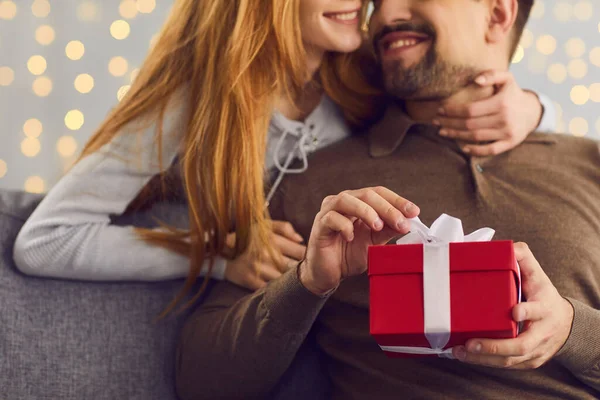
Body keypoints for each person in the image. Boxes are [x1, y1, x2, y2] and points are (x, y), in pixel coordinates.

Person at [175, 0, 600, 399]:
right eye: (377, 0)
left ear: (498, 13)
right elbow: (200, 381)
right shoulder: (311, 185)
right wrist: (307, 283)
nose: (382, 17)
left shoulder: (588, 163)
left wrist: (571, 330)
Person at [13, 0, 552, 303]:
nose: (363, 1)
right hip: (226, 313)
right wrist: (217, 253)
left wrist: (533, 105)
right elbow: (43, 243)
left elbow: (445, 89)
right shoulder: (190, 105)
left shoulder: (361, 74)